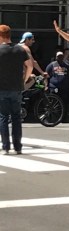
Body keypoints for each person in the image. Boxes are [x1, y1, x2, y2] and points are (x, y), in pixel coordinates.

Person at [0, 25, 34, 155]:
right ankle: (18, 146)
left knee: (3, 117)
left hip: (2, 87)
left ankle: (6, 146)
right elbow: (30, 66)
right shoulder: (19, 49)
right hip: (16, 87)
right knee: (16, 117)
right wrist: (24, 79)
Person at [45, 51, 69, 118]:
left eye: (61, 56)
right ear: (56, 57)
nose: (60, 57)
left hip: (64, 87)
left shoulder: (67, 66)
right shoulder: (52, 65)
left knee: (64, 103)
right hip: (54, 87)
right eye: (58, 56)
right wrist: (46, 85)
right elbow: (46, 75)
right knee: (53, 102)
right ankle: (52, 117)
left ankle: (64, 117)